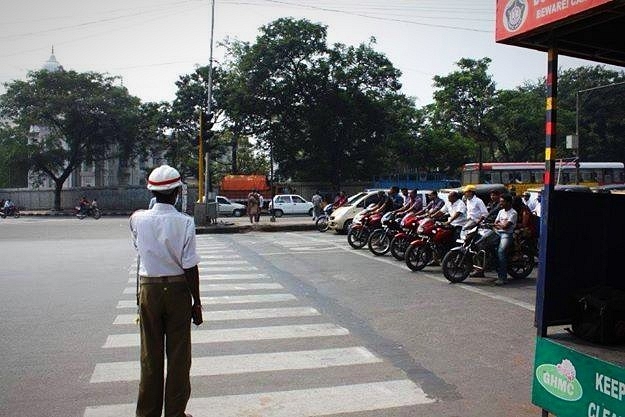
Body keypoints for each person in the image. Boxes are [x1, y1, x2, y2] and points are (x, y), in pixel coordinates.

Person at [129, 164, 202, 417]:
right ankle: (175, 413)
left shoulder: (137, 219)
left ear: (153, 192)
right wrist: (197, 303)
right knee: (179, 356)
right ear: (177, 193)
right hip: (178, 289)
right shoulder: (185, 223)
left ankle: (147, 413)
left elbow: (139, 249)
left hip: (149, 290)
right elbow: (190, 267)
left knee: (150, 355)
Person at [492, 194, 518, 285]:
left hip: (507, 234)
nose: (501, 203)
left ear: (509, 202)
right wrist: (500, 225)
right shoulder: (500, 211)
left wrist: (500, 225)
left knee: (501, 252)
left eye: (502, 201)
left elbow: (506, 227)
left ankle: (503, 278)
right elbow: (495, 223)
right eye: (500, 201)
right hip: (497, 232)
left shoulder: (513, 213)